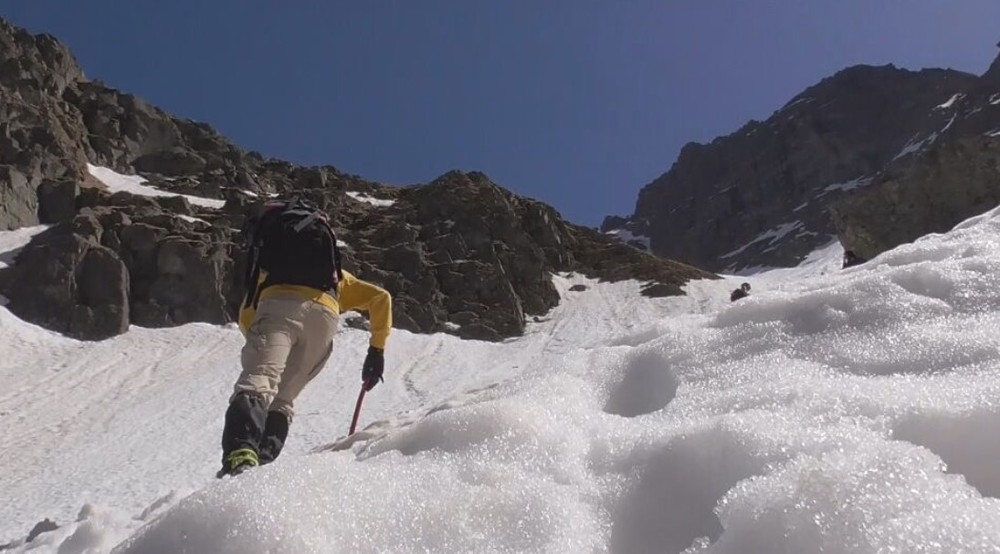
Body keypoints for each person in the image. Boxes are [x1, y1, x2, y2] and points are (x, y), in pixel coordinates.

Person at [218, 197, 392, 477]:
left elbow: (248, 315)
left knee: (258, 382)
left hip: (279, 307)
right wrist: (377, 351)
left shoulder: (269, 268)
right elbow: (380, 298)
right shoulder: (335, 277)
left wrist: (258, 340)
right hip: (325, 318)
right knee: (283, 401)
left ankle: (240, 456)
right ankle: (262, 467)